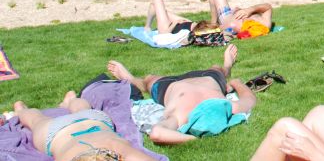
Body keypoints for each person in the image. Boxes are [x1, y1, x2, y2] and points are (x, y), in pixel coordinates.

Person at [107, 45, 255, 144]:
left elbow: (157, 133)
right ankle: (227, 66)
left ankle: (130, 79)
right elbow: (249, 99)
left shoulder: (181, 116)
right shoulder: (228, 106)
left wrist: (193, 140)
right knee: (218, 69)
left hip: (168, 86)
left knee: (148, 80)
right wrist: (236, 83)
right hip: (208, 78)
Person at [12, 92, 161, 161]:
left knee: (36, 121)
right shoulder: (121, 149)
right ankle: (71, 100)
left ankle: (21, 110)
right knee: (37, 121)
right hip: (60, 133)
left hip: (91, 123)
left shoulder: (119, 148)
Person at [207, 0, 274, 36]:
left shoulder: (234, 25)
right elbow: (268, 7)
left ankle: (213, 22)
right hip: (233, 14)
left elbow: (221, 29)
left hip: (226, 16)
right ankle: (214, 22)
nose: (245, 19)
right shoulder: (264, 23)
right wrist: (249, 10)